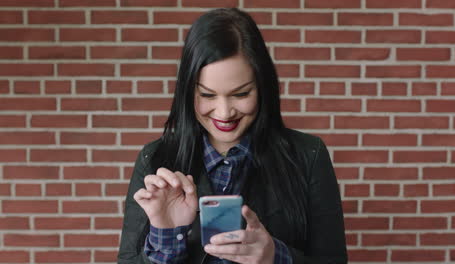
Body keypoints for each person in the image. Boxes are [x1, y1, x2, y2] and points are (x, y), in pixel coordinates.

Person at [117, 8, 347, 264]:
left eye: (241, 94)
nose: (224, 113)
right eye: (207, 95)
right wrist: (165, 234)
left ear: (262, 87)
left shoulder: (308, 155)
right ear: (187, 92)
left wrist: (275, 256)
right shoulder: (156, 160)